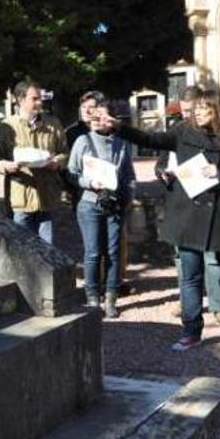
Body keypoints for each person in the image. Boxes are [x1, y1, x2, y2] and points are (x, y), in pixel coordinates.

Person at [110, 89, 220, 353]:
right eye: (197, 109)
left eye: (206, 109)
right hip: (187, 215)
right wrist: (119, 128)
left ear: (218, 111)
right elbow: (151, 138)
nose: (199, 113)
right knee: (191, 277)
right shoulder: (183, 131)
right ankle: (191, 332)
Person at [155, 86, 220, 326]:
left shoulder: (219, 135)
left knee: (212, 259)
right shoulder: (178, 132)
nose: (188, 116)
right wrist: (162, 173)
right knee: (183, 259)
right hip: (181, 203)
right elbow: (161, 161)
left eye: (191, 111)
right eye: (184, 111)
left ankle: (219, 306)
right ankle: (188, 303)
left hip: (207, 204)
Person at [68, 100, 135, 318]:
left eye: (102, 116)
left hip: (115, 204)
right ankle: (92, 296)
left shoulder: (122, 143)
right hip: (89, 203)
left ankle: (111, 297)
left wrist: (127, 199)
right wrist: (89, 183)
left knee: (114, 252)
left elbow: (129, 176)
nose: (97, 120)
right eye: (94, 116)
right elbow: (72, 173)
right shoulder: (82, 141)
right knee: (93, 252)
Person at [0, 80, 69, 244]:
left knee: (48, 252)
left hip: (47, 197)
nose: (39, 102)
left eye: (40, 98)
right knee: (23, 252)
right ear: (20, 100)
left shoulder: (53, 124)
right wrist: (7, 166)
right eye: (34, 98)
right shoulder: (6, 127)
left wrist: (56, 162)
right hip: (21, 198)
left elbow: (65, 153)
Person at [64, 91, 107, 209]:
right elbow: (67, 164)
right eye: (83, 107)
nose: (86, 111)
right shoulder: (71, 133)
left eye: (91, 107)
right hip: (82, 192)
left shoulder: (109, 130)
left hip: (109, 189)